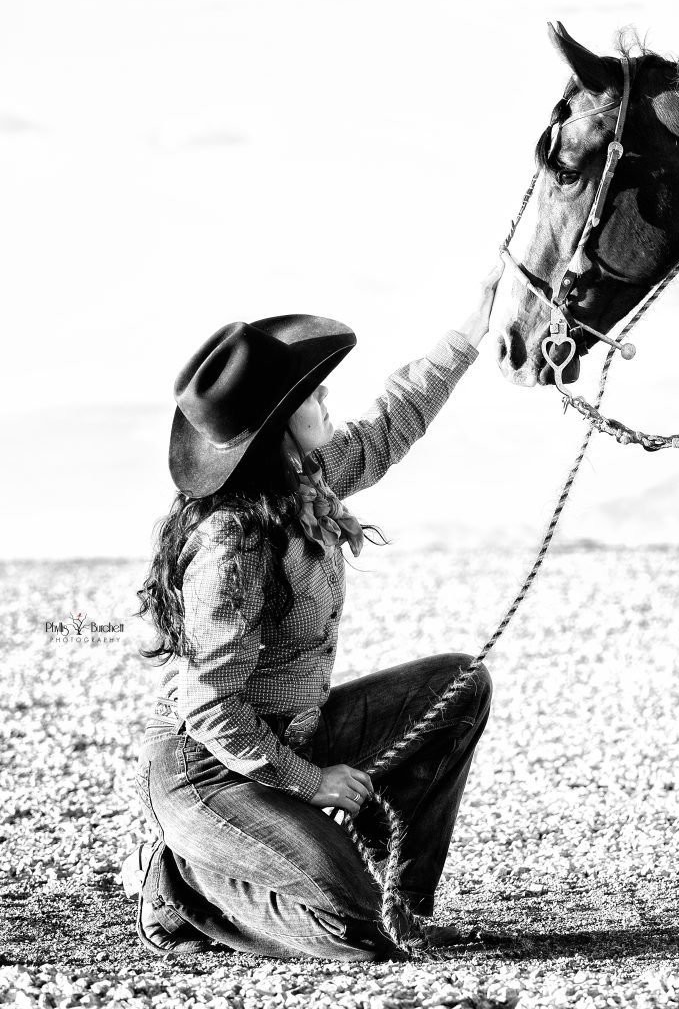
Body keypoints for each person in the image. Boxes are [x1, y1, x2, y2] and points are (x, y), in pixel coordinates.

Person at [124, 266, 501, 960]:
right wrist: (314, 782)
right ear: (276, 427)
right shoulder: (232, 543)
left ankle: (403, 906)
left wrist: (471, 332)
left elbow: (389, 428)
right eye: (309, 393)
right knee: (351, 933)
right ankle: (183, 886)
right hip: (207, 769)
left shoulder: (309, 480)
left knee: (459, 687)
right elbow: (209, 710)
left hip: (292, 733)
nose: (326, 395)